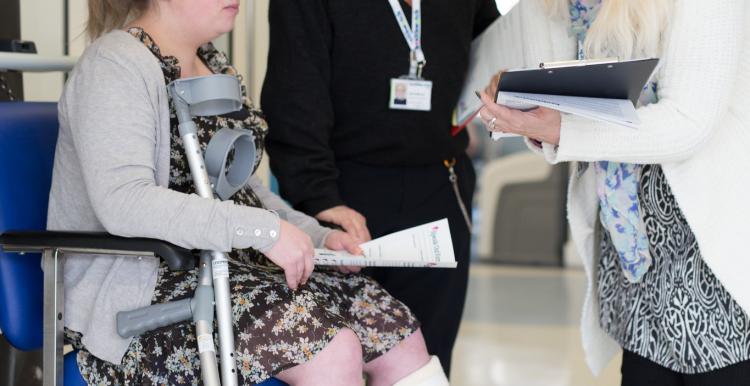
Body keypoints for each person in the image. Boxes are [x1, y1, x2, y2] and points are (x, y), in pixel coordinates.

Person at [48, 1, 451, 385]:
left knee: (397, 332)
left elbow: (245, 193)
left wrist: (318, 237)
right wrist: (264, 232)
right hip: (144, 294)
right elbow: (125, 202)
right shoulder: (115, 65)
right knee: (333, 351)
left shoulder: (215, 65)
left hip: (231, 268)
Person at [477, 0, 750, 384]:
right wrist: (521, 102)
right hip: (631, 252)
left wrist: (559, 130)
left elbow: (689, 124)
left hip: (713, 252)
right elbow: (564, 102)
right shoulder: (564, 6)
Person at [262, 0, 499, 373]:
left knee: (426, 361)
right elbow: (294, 94)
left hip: (440, 185)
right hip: (343, 199)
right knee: (341, 359)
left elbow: (493, 47)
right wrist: (318, 196)